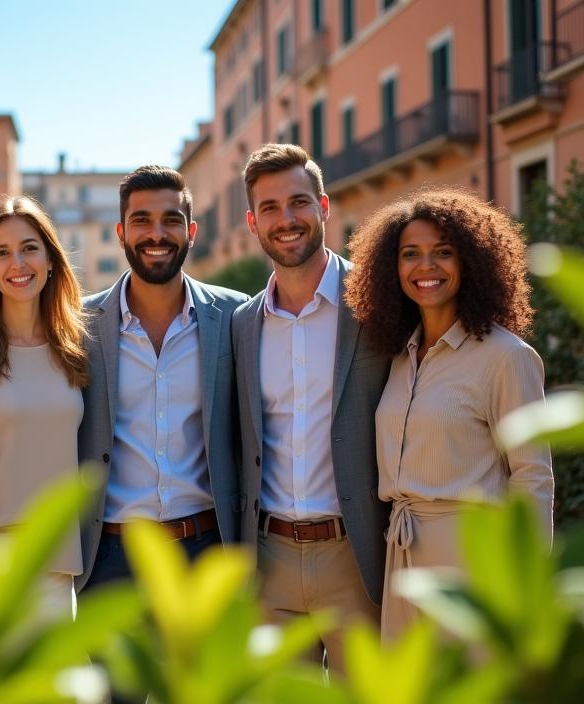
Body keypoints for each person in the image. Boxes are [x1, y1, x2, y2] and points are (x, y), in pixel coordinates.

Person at [342, 187, 554, 642]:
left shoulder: (506, 357)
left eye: (443, 252)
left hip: (471, 557)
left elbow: (533, 476)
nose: (426, 266)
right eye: (409, 254)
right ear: (390, 267)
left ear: (472, 262)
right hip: (400, 557)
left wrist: (529, 587)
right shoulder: (401, 358)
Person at [231, 143, 390, 677]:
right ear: (253, 222)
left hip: (357, 552)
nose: (286, 220)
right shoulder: (242, 325)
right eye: (270, 209)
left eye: (298, 203)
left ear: (323, 206)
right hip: (269, 560)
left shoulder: (377, 303)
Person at [77, 166, 248, 594]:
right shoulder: (80, 324)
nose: (157, 234)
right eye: (142, 221)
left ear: (190, 230)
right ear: (121, 232)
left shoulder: (235, 316)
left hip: (208, 551)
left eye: (171, 220)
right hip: (111, 559)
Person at [0, 195, 88, 617]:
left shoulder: (74, 344)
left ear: (50, 259)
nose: (18, 264)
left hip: (57, 558)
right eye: (1, 253)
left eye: (29, 248)